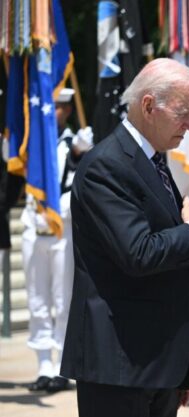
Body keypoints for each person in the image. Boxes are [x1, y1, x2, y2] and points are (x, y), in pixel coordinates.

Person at [60, 58, 189, 417]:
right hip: (119, 368)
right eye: (183, 113)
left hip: (157, 366)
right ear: (147, 106)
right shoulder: (106, 166)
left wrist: (182, 370)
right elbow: (138, 252)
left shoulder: (152, 161)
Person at [22, 87, 93, 393]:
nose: (59, 112)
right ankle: (43, 366)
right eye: (55, 106)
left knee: (63, 299)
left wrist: (83, 154)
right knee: (37, 300)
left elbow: (78, 186)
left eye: (63, 107)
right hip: (34, 228)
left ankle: (63, 365)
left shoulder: (74, 143)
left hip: (62, 229)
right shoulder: (31, 141)